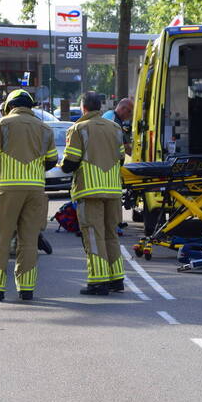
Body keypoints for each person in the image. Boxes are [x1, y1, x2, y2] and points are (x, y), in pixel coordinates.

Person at [0, 89, 57, 302]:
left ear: (9, 106)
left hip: (8, 189)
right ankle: (26, 289)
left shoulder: (3, 124)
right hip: (36, 190)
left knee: (0, 237)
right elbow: (52, 161)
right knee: (28, 240)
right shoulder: (45, 128)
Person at [62, 91, 125, 295]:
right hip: (113, 190)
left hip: (89, 191)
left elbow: (70, 162)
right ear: (99, 107)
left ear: (83, 108)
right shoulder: (115, 128)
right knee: (110, 234)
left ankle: (98, 282)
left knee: (93, 235)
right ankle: (117, 279)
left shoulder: (78, 128)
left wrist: (61, 166)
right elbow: (121, 158)